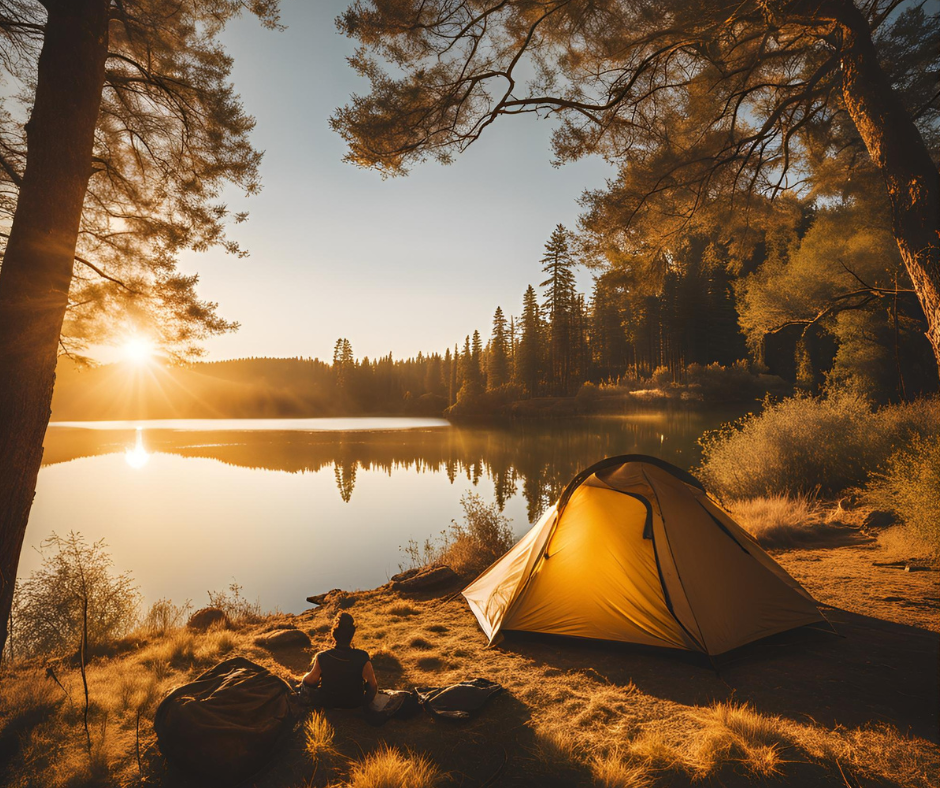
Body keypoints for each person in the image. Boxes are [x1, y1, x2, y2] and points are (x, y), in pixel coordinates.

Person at [300, 612, 377, 708]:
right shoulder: (362, 656)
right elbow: (373, 686)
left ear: (334, 634)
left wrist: (305, 677)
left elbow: (311, 681)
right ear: (352, 634)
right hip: (355, 703)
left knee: (304, 686)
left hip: (328, 703)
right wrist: (365, 704)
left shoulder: (323, 657)